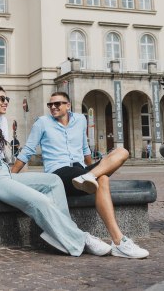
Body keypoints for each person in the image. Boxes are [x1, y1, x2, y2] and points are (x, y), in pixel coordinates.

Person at [0, 86, 111, 257]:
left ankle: (61, 235)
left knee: (54, 181)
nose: (5, 102)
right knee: (40, 200)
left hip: (5, 173)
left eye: (7, 99)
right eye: (1, 98)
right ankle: (81, 239)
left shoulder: (1, 121)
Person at [12, 92, 149, 259]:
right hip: (59, 173)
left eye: (58, 104)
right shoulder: (42, 123)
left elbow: (85, 150)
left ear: (68, 105)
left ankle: (89, 177)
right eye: (50, 105)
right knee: (103, 178)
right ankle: (119, 241)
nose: (53, 107)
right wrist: (11, 176)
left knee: (122, 152)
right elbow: (28, 150)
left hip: (81, 171)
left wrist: (91, 171)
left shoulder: (80, 120)